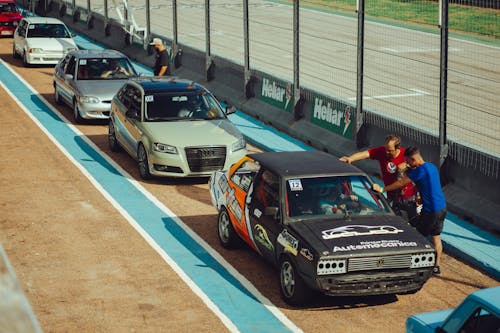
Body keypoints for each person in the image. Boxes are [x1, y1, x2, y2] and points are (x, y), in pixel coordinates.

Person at [372, 146, 446, 275]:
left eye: (408, 161)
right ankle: (436, 266)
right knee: (436, 237)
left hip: (430, 210)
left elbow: (401, 183)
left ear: (413, 159)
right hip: (442, 208)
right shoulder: (432, 167)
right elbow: (428, 185)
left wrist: (383, 189)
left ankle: (413, 265)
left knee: (417, 236)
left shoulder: (419, 171)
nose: (408, 164)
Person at [339, 134, 418, 221]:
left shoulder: (405, 155)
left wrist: (407, 165)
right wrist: (350, 159)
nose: (386, 152)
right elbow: (366, 154)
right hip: (391, 195)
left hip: (408, 196)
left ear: (398, 148)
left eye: (390, 150)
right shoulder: (382, 152)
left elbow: (419, 167)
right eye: (385, 149)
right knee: (393, 219)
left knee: (413, 220)